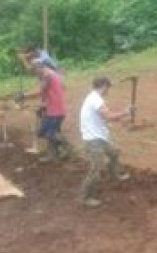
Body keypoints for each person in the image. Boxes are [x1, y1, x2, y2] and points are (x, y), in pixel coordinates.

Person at [79, 77, 132, 207]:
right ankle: (85, 197)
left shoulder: (93, 98)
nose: (108, 90)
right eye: (108, 87)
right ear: (103, 86)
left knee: (114, 153)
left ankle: (113, 175)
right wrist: (126, 112)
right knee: (96, 169)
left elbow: (104, 118)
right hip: (93, 140)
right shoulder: (95, 99)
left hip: (99, 138)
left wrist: (120, 119)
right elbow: (108, 116)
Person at [16, 57, 71, 162]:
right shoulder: (48, 75)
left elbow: (40, 91)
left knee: (49, 133)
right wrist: (42, 105)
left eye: (34, 70)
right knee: (44, 132)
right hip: (50, 108)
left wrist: (24, 95)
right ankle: (53, 154)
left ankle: (67, 146)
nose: (35, 73)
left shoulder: (48, 75)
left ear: (39, 67)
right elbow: (47, 93)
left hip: (56, 110)